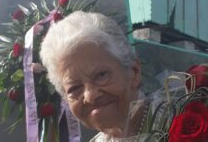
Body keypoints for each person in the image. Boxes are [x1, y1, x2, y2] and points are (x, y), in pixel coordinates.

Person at [40, 11, 150, 141]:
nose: (90, 96)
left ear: (133, 72)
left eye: (101, 75)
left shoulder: (175, 124)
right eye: (74, 88)